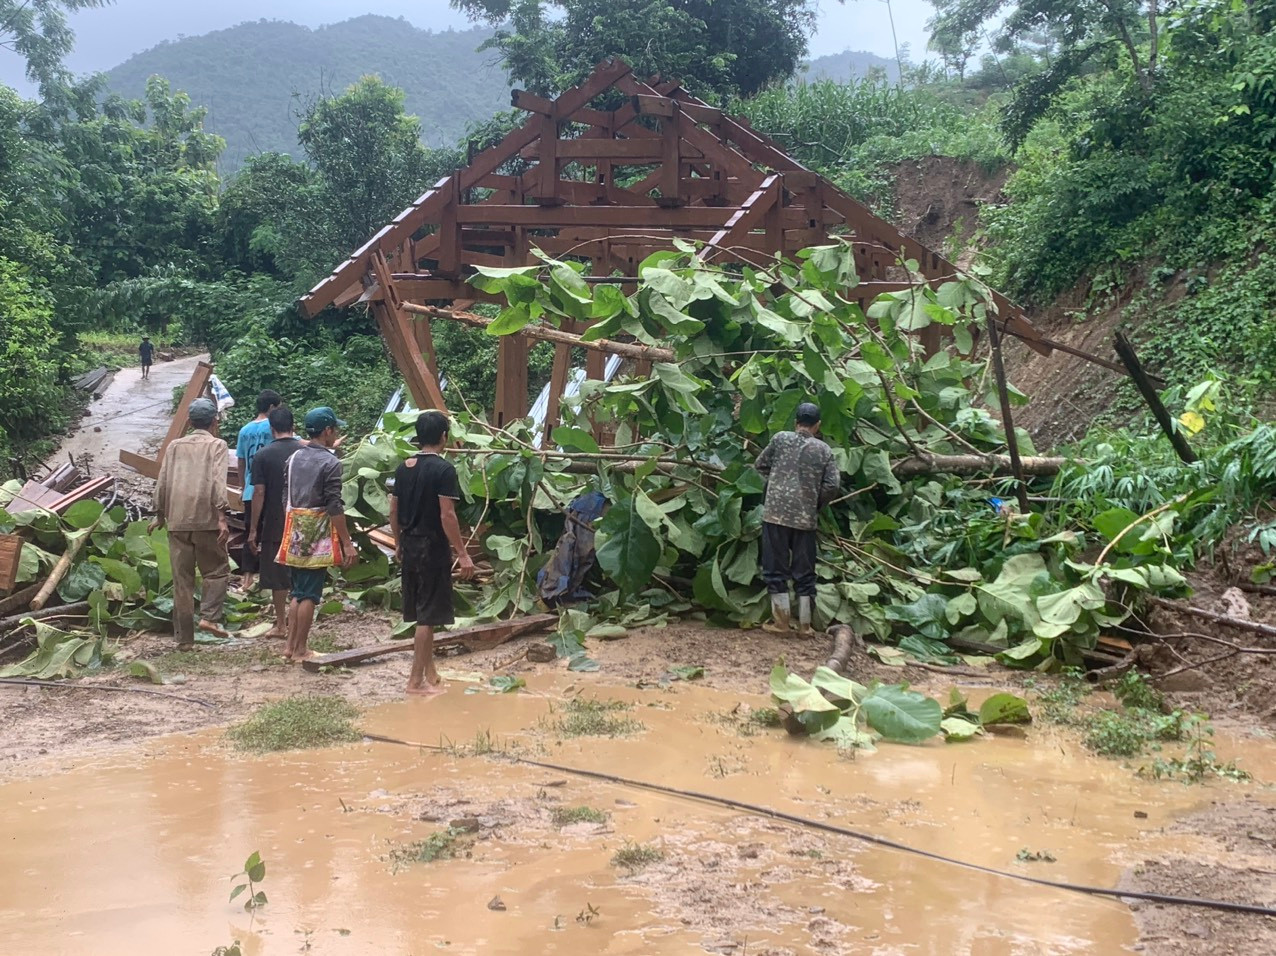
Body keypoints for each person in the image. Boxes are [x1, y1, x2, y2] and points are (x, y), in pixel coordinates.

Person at [390, 411, 476, 697]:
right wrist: (462, 553)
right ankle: (415, 682)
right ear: (443, 437)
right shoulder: (444, 470)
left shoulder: (404, 467)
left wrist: (398, 542)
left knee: (420, 610)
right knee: (427, 616)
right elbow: (447, 515)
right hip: (432, 547)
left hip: (411, 544)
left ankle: (430, 672)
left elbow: (393, 511)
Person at [150, 397, 231, 649]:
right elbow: (218, 482)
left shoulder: (174, 446)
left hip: (177, 521)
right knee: (217, 571)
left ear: (189, 421)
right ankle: (209, 617)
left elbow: (162, 481)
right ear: (214, 422)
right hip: (205, 519)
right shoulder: (217, 445)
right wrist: (221, 517)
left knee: (182, 580)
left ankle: (184, 640)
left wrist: (159, 514)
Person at [754, 402, 839, 635]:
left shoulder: (780, 438)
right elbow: (832, 485)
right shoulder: (824, 450)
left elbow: (760, 465)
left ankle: (781, 622)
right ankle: (804, 625)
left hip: (775, 516)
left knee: (775, 569)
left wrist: (774, 489)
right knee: (805, 571)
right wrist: (815, 502)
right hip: (804, 519)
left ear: (796, 422)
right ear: (818, 425)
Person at [279, 407, 357, 662]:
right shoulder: (330, 462)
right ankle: (301, 649)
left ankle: (290, 647)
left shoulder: (293, 458)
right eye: (335, 429)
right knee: (310, 594)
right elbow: (334, 504)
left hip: (294, 527)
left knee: (297, 591)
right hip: (317, 530)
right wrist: (347, 543)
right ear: (327, 431)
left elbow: (284, 496)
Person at [246, 406, 304, 640]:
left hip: (275, 522)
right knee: (300, 572)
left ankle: (281, 624)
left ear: (271, 430)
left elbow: (258, 492)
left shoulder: (263, 455)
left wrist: (253, 529)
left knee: (277, 575)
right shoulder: (304, 451)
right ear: (294, 427)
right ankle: (299, 620)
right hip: (303, 521)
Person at [235, 390, 282, 591]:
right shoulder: (273, 428)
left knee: (250, 533)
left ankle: (247, 578)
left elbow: (241, 462)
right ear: (272, 408)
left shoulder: (244, 430)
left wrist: (243, 487)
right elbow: (292, 443)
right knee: (270, 534)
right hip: (268, 490)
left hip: (249, 491)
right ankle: (268, 576)